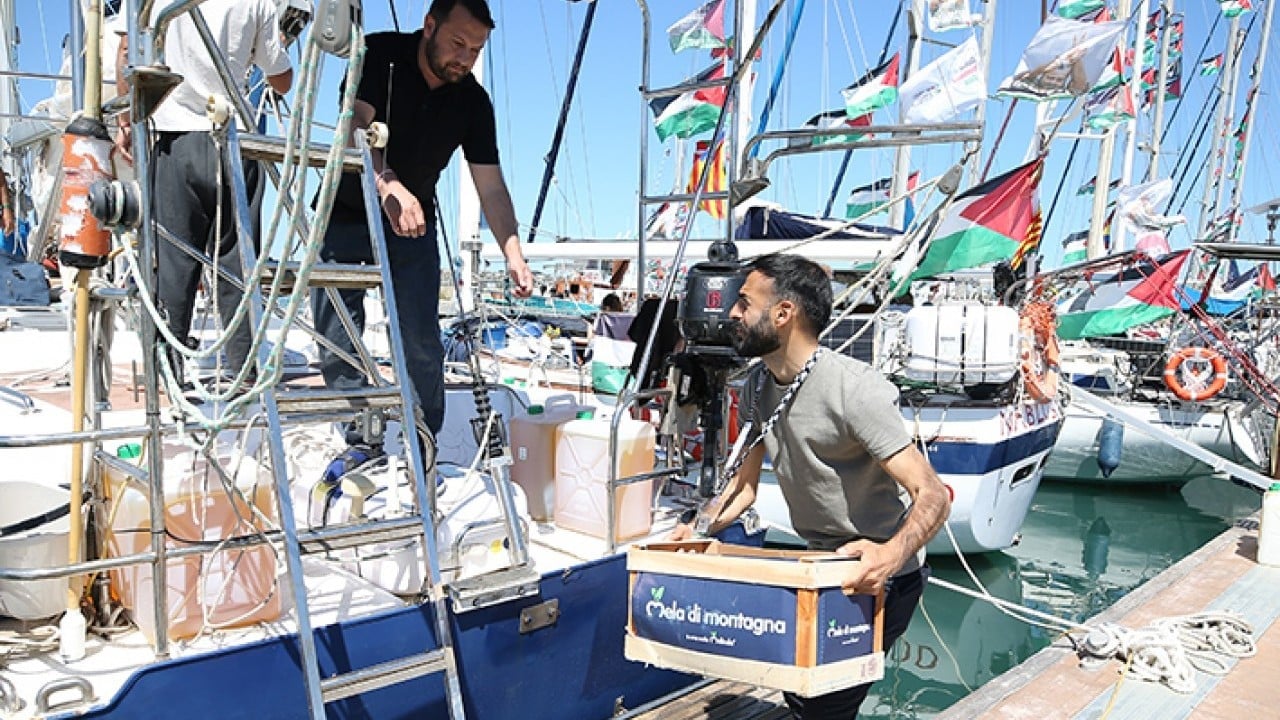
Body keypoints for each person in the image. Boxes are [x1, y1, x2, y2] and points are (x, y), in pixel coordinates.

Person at [671, 253, 951, 720]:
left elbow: (933, 495)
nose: (731, 315)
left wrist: (889, 556)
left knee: (823, 706)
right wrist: (698, 529)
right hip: (817, 568)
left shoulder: (854, 390)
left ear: (783, 314)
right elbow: (743, 492)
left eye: (744, 303)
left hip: (881, 577)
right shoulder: (757, 385)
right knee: (801, 694)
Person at [314, 0, 533, 448]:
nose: (465, 58)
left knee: (420, 339)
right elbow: (354, 126)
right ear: (429, 26)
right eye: (457, 43)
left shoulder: (473, 102)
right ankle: (360, 442)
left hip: (412, 224)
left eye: (475, 49)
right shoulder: (377, 55)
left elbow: (490, 187)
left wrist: (514, 253)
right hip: (346, 208)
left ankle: (423, 443)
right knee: (339, 331)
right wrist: (387, 184)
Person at [114, 0, 293, 383]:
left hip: (176, 140)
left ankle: (168, 373)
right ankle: (242, 371)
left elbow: (129, 52)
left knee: (175, 265)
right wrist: (276, 44)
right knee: (237, 265)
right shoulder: (257, 2)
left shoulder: (159, 2)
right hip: (235, 140)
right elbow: (281, 79)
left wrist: (126, 121)